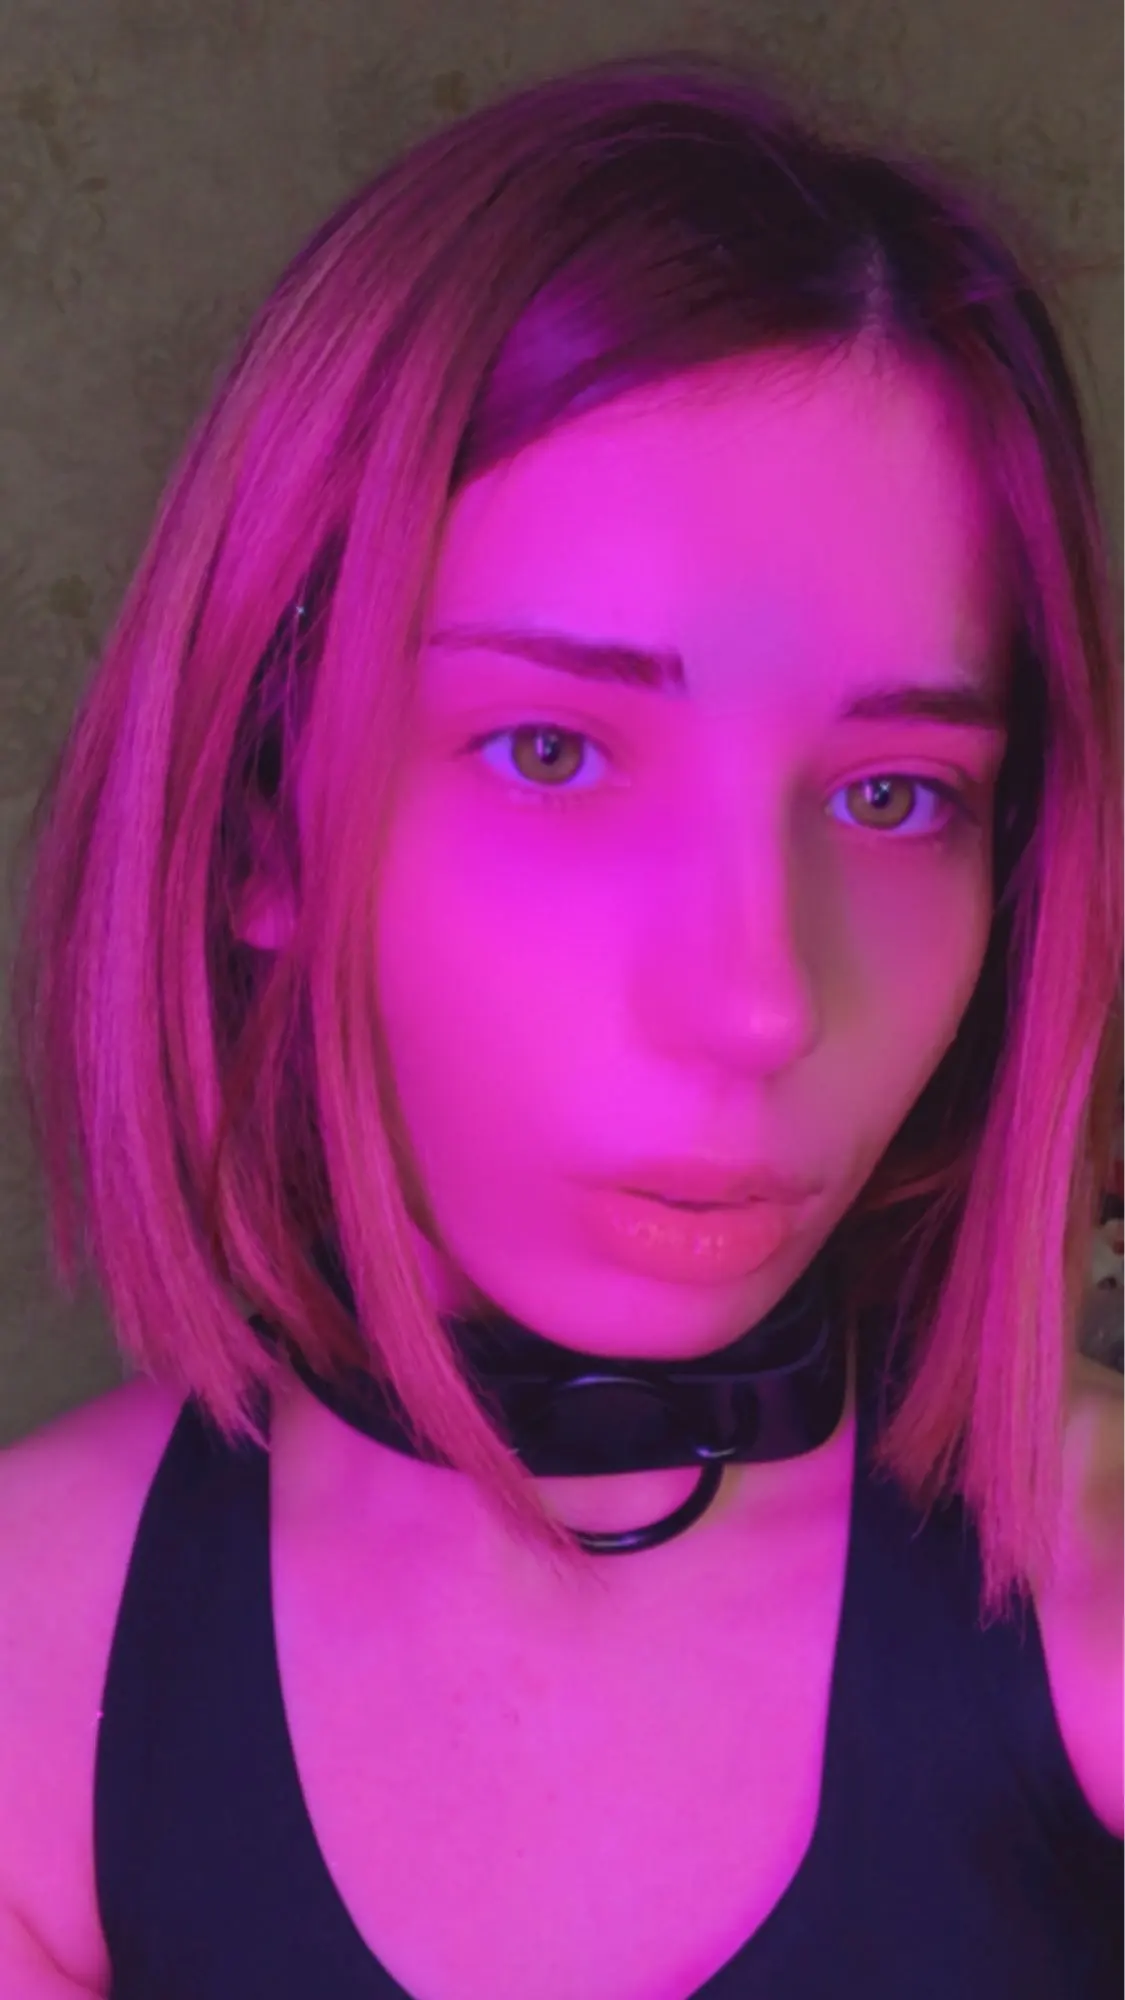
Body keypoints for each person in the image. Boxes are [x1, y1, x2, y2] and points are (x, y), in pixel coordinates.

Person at [0, 48, 1121, 2000]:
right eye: (551, 752)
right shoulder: (36, 1652)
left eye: (893, 795)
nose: (761, 1002)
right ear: (260, 829)